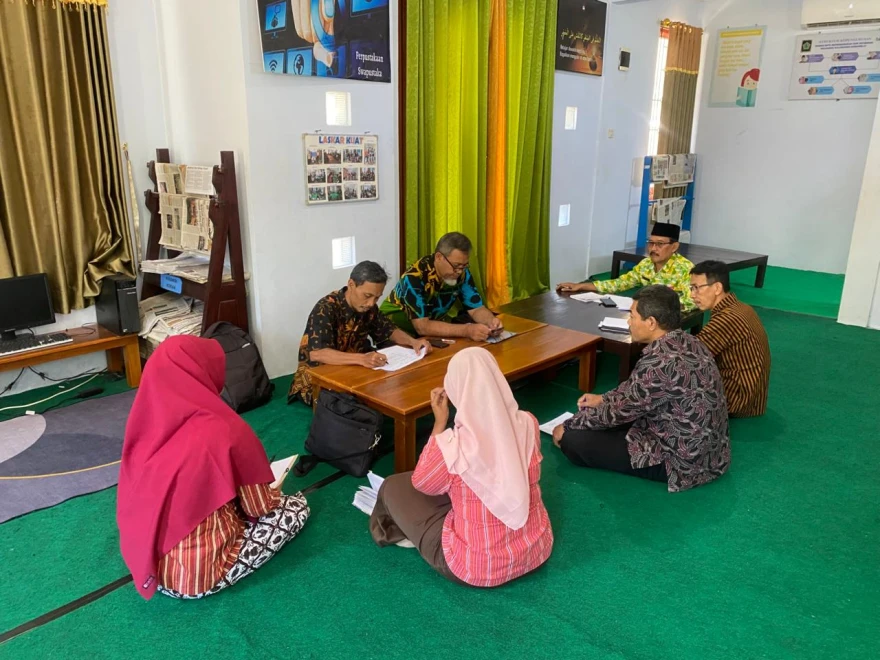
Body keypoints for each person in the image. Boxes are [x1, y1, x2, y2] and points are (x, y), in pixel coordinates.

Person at [117, 336, 310, 600]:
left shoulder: (145, 424)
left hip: (148, 567)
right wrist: (273, 490)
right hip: (198, 578)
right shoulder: (224, 428)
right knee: (296, 509)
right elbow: (260, 507)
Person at [369, 348, 554, 587]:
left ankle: (393, 533)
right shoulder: (528, 422)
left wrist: (439, 423)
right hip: (536, 550)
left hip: (476, 568)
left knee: (392, 485)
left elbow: (422, 483)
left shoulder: (453, 446)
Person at [552, 285, 730, 492]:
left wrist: (568, 425)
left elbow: (620, 411)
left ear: (651, 322)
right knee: (600, 419)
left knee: (573, 440)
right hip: (710, 453)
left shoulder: (660, 363)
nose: (629, 322)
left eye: (633, 316)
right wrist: (603, 399)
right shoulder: (689, 341)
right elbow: (637, 389)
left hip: (681, 462)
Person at [288, 261, 432, 406]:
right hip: (318, 377)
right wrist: (362, 359)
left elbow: (389, 330)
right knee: (358, 404)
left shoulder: (369, 308)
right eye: (367, 295)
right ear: (351, 284)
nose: (371, 303)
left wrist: (413, 342)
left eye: (377, 297)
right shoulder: (325, 308)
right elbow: (318, 354)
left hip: (354, 368)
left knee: (402, 386)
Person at [380, 232, 503, 340]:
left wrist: (491, 322)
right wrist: (467, 330)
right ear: (439, 257)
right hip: (393, 333)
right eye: (456, 265)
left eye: (464, 265)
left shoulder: (462, 273)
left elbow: (476, 308)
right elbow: (422, 327)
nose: (459, 271)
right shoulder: (415, 277)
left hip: (430, 333)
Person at [690, 260, 771, 417]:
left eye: (697, 288)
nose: (692, 295)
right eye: (691, 288)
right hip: (754, 397)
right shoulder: (741, 307)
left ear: (717, 288)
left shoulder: (726, 319)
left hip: (736, 400)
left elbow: (690, 356)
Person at [556, 223, 696, 310]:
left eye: (660, 244)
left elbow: (692, 301)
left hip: (669, 319)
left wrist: (659, 306)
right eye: (651, 243)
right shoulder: (646, 264)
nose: (653, 248)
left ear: (674, 247)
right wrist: (581, 286)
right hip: (646, 314)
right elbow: (620, 283)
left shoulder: (686, 269)